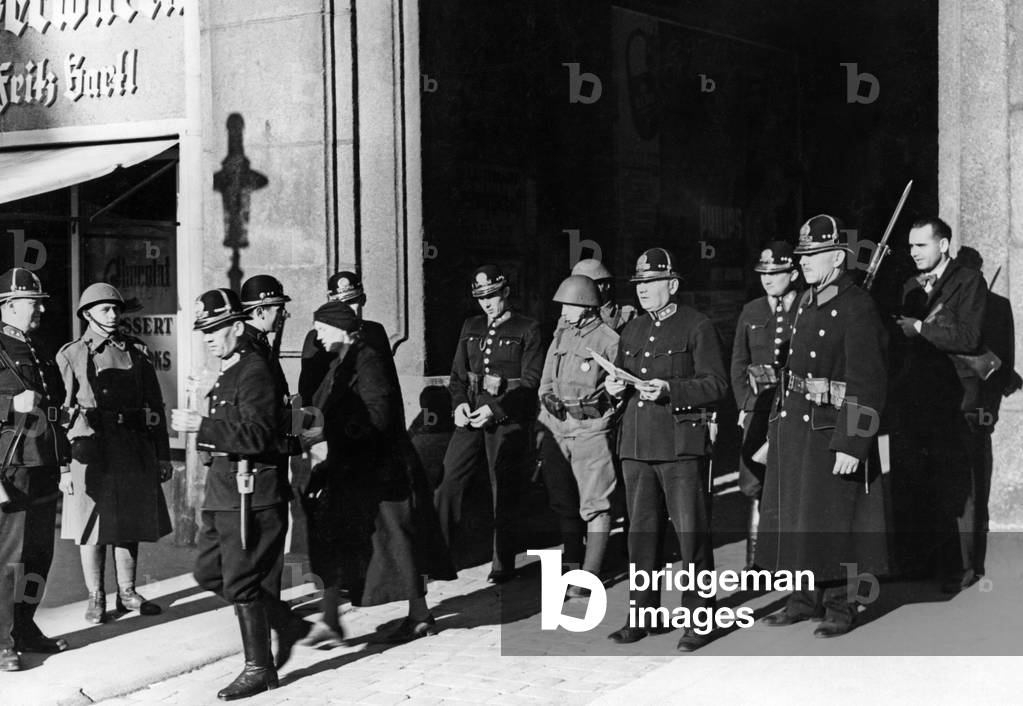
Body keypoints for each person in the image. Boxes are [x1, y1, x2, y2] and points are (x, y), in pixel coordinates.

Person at [757, 214, 889, 638]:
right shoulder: (807, 301)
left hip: (830, 428)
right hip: (796, 426)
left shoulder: (856, 305)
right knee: (800, 518)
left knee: (834, 520)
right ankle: (801, 601)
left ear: (836, 256)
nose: (804, 262)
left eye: (813, 254)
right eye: (802, 254)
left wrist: (853, 441)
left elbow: (868, 381)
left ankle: (839, 606)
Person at [301, 301, 452, 644]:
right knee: (344, 540)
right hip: (353, 467)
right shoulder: (339, 362)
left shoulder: (367, 360)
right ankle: (332, 618)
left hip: (383, 472)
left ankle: (419, 615)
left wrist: (327, 433)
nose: (317, 336)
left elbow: (378, 416)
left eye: (322, 329)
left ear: (341, 329)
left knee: (398, 544)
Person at [603, 248, 728, 652]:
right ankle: (643, 615)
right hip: (637, 446)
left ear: (672, 285)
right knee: (641, 537)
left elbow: (716, 385)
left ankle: (701, 619)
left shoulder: (698, 326)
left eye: (651, 283)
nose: (643, 290)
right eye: (639, 284)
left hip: (680, 446)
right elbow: (622, 380)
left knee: (691, 535)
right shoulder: (633, 330)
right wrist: (613, 388)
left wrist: (673, 390)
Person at [170, 289, 292, 700]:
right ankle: (274, 616)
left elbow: (260, 435)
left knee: (240, 582)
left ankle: (259, 667)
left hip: (250, 493)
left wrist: (201, 426)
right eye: (204, 330)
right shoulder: (229, 369)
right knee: (208, 572)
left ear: (237, 327)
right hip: (223, 492)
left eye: (216, 328)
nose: (208, 337)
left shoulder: (254, 370)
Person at [56, 283, 173, 625]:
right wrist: (64, 467)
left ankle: (127, 592)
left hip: (132, 443)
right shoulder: (73, 354)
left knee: (129, 520)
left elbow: (155, 404)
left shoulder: (137, 350)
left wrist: (162, 454)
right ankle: (96, 596)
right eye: (105, 309)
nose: (113, 314)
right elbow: (59, 412)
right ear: (87, 314)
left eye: (116, 309)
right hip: (91, 447)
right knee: (92, 523)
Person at [891, 218, 987, 592]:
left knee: (956, 481)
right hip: (917, 396)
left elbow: (970, 336)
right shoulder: (910, 285)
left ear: (944, 245)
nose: (914, 253)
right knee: (918, 479)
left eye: (922, 246)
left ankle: (959, 568)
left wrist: (920, 329)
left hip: (957, 400)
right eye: (912, 246)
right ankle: (921, 561)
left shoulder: (969, 282)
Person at [434, 265, 543, 583]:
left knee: (503, 488)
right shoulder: (470, 325)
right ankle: (439, 557)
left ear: (506, 292)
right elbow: (458, 376)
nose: (487, 303)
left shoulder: (528, 328)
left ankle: (502, 562)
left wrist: (494, 410)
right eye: (482, 297)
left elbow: (531, 381)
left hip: (505, 418)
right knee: (448, 482)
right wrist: (458, 405)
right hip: (469, 416)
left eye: (493, 296)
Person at [0, 268, 72, 672]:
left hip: (43, 461)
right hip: (12, 465)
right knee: (8, 556)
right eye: (33, 302)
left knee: (40, 553)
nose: (41, 308)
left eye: (41, 301)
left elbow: (55, 400)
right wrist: (10, 408)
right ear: (9, 306)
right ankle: (1, 640)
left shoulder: (38, 347)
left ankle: (25, 627)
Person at [237, 275, 311, 661]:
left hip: (272, 459)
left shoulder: (262, 345)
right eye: (278, 308)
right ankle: (271, 625)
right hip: (259, 464)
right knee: (261, 547)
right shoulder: (249, 350)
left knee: (271, 543)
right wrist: (295, 437)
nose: (283, 315)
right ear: (261, 311)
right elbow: (259, 416)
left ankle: (274, 615)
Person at [537, 275, 619, 596]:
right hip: (558, 427)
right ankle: (571, 565)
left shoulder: (608, 341)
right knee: (562, 501)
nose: (564, 310)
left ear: (585, 306)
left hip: (592, 428)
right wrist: (548, 399)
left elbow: (619, 389)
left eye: (569, 304)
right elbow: (545, 381)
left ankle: (589, 576)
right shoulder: (561, 336)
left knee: (596, 504)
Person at [729, 242, 800, 568]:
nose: (768, 280)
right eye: (763, 274)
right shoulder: (752, 310)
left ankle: (790, 556)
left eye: (776, 273)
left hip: (794, 409)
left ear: (793, 273)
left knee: (791, 482)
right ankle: (757, 560)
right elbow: (739, 362)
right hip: (759, 408)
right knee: (754, 483)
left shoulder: (805, 307)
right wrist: (744, 405)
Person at [298, 271, 395, 404]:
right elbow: (308, 391)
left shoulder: (375, 331)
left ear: (363, 300)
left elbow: (390, 383)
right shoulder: (317, 338)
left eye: (352, 301)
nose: (348, 309)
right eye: (341, 304)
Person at [571, 258, 637, 331]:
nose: (584, 291)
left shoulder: (627, 315)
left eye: (590, 285)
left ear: (606, 285)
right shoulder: (569, 318)